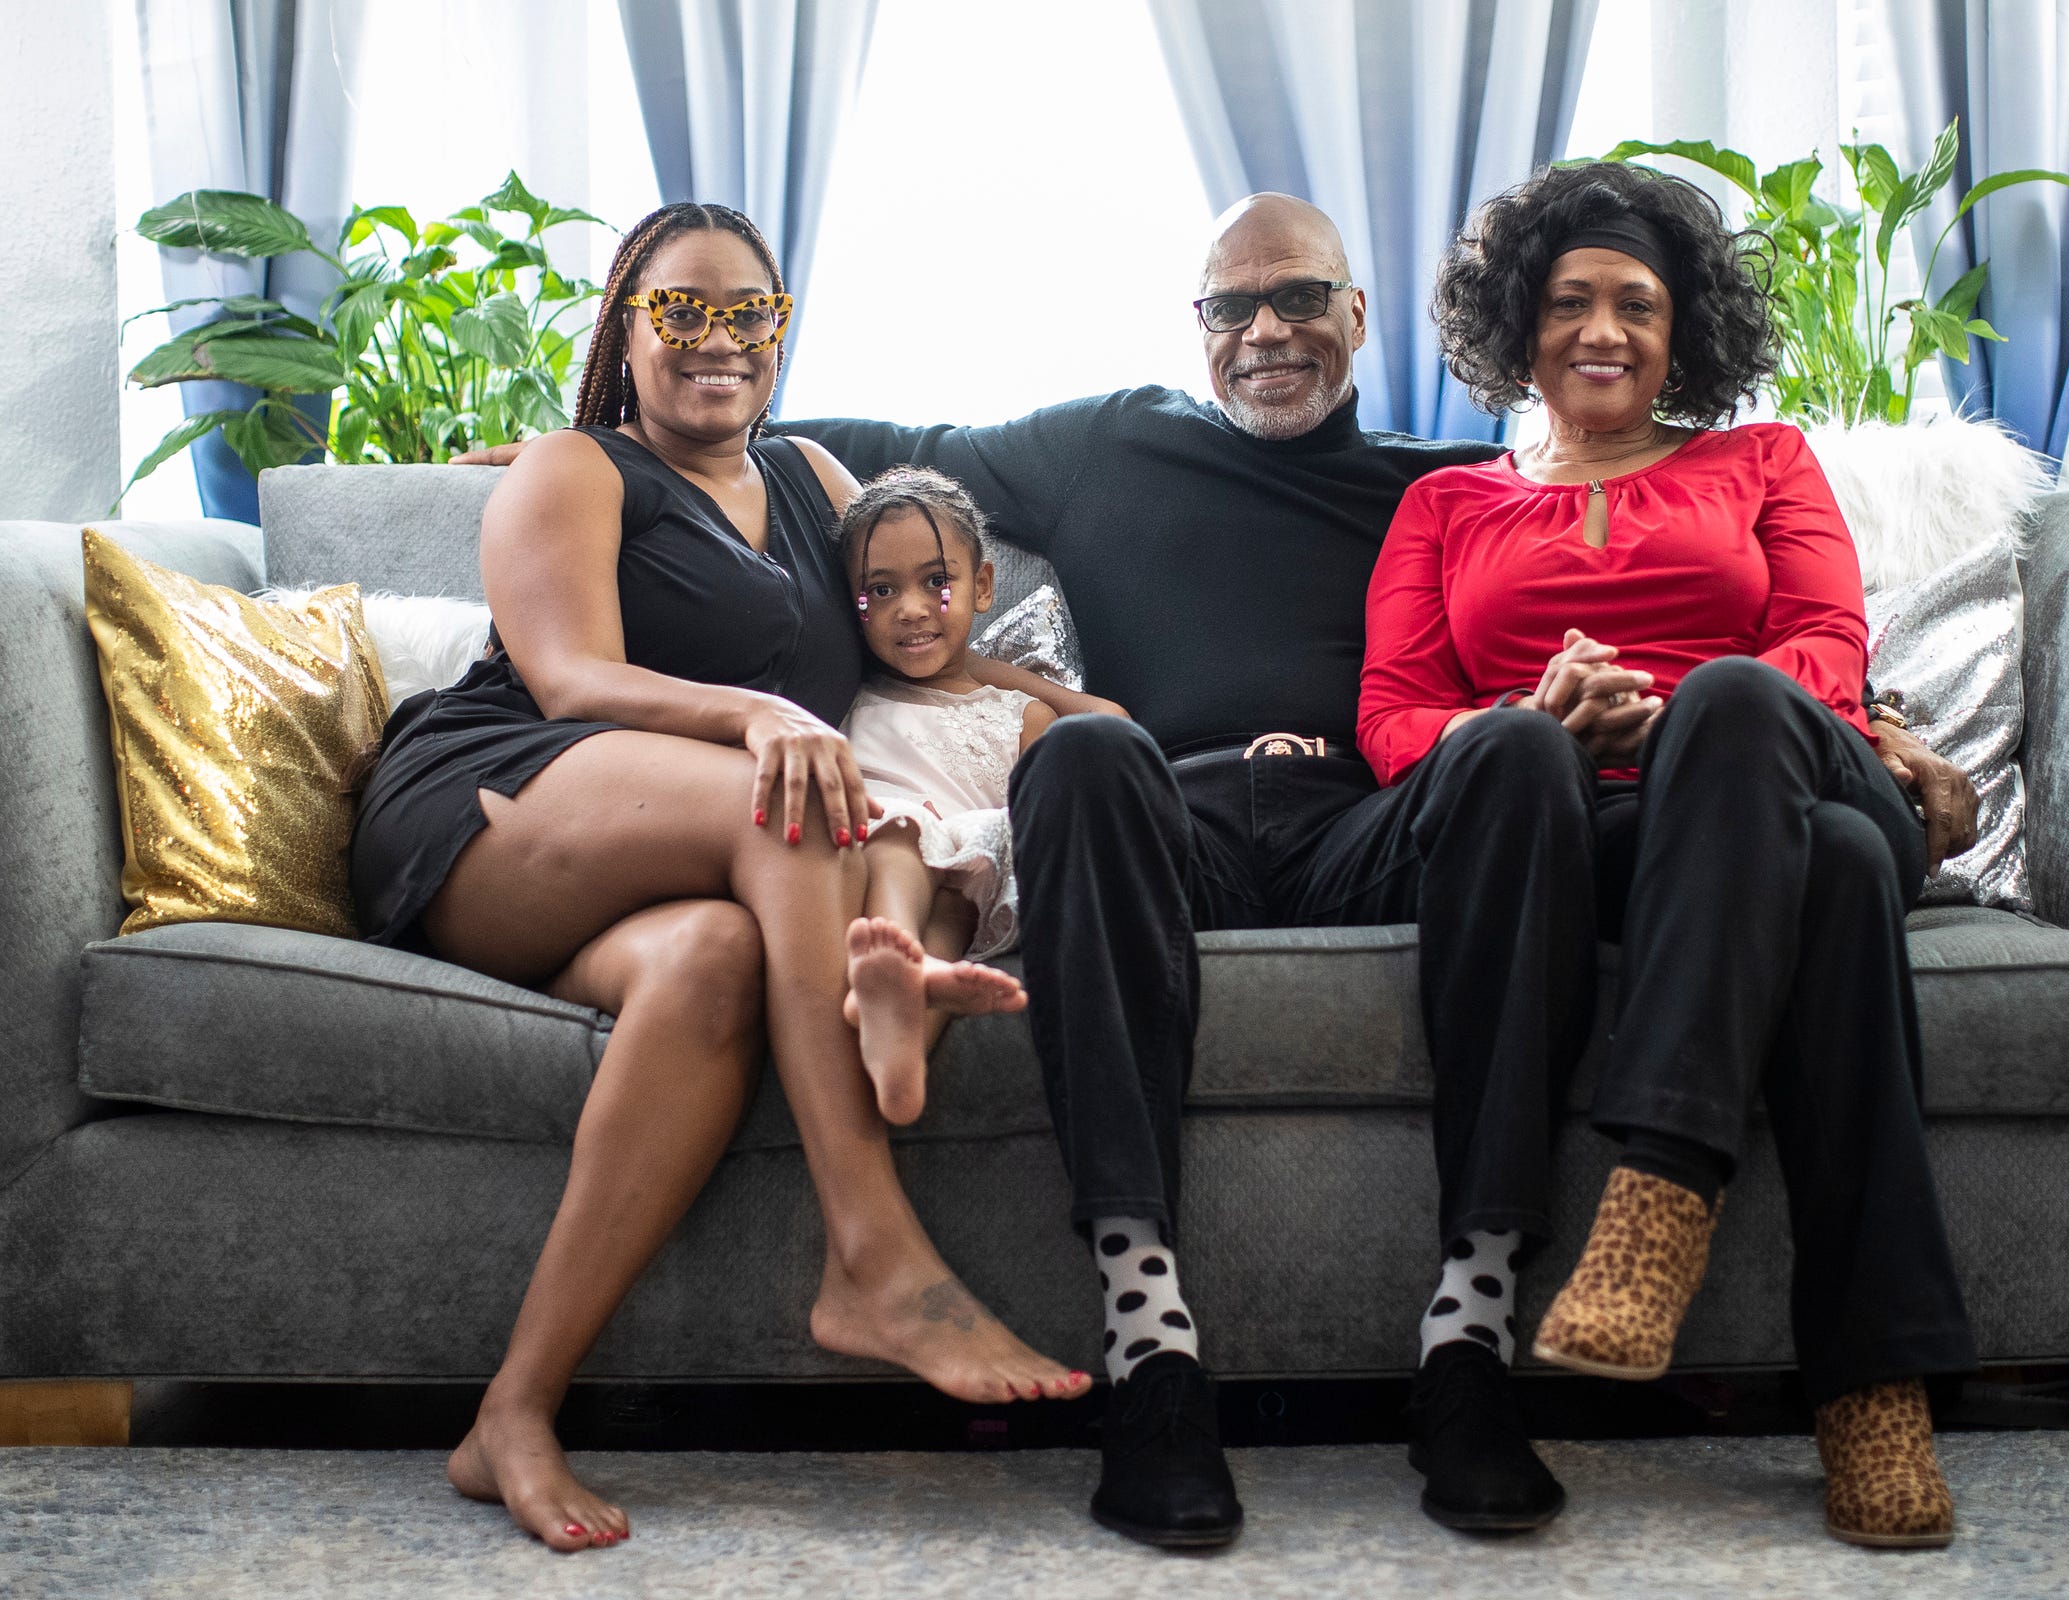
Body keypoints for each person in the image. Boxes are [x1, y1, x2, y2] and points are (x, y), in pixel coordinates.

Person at [455, 192, 1979, 1547]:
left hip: (1373, 827)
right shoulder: (1112, 438)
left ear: (1357, 318)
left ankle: (1469, 1340)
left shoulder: (1440, 484)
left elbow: (1643, 592)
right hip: (1165, 816)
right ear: (1196, 328)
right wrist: (582, 446)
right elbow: (868, 453)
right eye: (1233, 307)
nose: (1268, 332)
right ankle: (1150, 1347)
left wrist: (1863, 726)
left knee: (1540, 762)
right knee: (1080, 755)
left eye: (1300, 299)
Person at [353, 202, 1103, 1555]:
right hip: (499, 803)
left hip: (672, 860)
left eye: (747, 311)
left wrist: (1053, 698)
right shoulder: (581, 471)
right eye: (680, 310)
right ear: (626, 326)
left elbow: (909, 628)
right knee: (794, 794)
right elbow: (569, 675)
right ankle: (874, 1252)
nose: (718, 339)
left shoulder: (817, 481)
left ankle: (511, 1413)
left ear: (784, 329)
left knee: (715, 962)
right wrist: (755, 713)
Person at [1358, 158, 1979, 1549]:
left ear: (1681, 328)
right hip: (1613, 834)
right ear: (1519, 324)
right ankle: (1871, 1386)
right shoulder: (1446, 509)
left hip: (1783, 753)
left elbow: (1824, 645)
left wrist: (1706, 700)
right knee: (1836, 876)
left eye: (1637, 304)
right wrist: (1528, 722)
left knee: (1742, 699)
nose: (1603, 330)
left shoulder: (1761, 462)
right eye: (1570, 300)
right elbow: (1394, 718)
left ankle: (1664, 1189)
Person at [836, 465, 1119, 1125]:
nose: (909, 608)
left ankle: (901, 1020)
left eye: (938, 583)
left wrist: (984, 669)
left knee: (972, 865)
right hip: (874, 845)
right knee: (904, 834)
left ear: (982, 585)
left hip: (975, 874)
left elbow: (1110, 726)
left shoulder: (1020, 713)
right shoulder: (847, 690)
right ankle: (898, 997)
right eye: (880, 590)